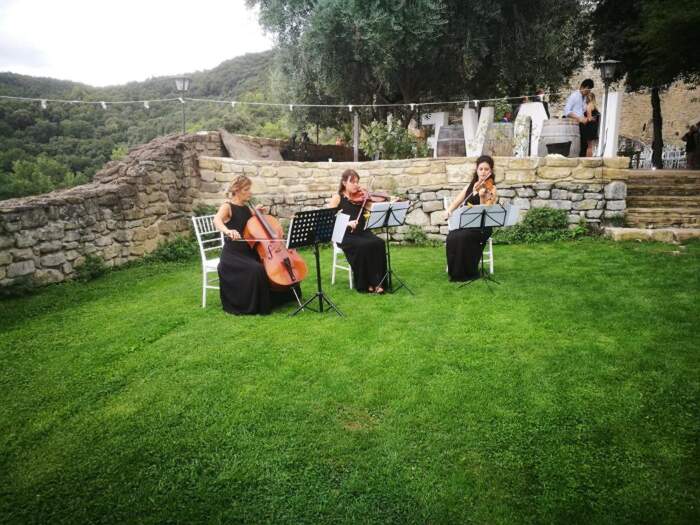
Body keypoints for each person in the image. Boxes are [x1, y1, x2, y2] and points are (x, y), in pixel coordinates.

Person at [213, 175, 299, 315]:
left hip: (249, 251)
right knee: (257, 269)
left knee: (278, 265)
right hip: (233, 255)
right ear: (237, 190)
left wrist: (257, 213)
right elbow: (216, 220)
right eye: (247, 189)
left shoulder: (246, 208)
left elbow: (250, 224)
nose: (250, 192)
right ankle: (256, 306)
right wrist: (227, 231)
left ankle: (282, 297)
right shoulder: (227, 206)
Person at [328, 169, 388, 294]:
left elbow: (372, 207)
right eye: (353, 182)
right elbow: (329, 219)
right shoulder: (337, 198)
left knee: (379, 243)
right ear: (344, 183)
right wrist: (347, 223)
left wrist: (386, 202)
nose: (356, 185)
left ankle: (378, 282)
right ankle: (367, 284)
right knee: (364, 246)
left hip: (362, 232)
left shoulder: (361, 197)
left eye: (357, 182)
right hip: (345, 235)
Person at [445, 155, 498, 281]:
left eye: (486, 169)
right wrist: (449, 210)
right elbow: (458, 201)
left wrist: (481, 197)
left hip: (482, 226)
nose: (483, 172)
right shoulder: (471, 186)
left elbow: (486, 210)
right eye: (481, 169)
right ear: (477, 170)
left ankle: (468, 272)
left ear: (490, 171)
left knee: (463, 236)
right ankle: (456, 272)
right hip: (468, 224)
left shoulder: (491, 188)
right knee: (452, 236)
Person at [564, 79, 594, 156]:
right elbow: (567, 111)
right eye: (587, 89)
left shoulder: (584, 98)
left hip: (582, 124)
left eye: (589, 90)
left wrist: (586, 118)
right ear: (582, 87)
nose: (588, 92)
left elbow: (582, 111)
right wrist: (579, 118)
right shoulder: (574, 96)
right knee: (580, 145)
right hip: (574, 124)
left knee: (584, 144)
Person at [581, 92, 601, 157]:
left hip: (589, 127)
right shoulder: (594, 106)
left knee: (589, 146)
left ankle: (588, 159)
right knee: (591, 145)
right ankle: (590, 158)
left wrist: (584, 118)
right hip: (594, 126)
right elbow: (594, 117)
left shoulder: (589, 106)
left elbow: (589, 119)